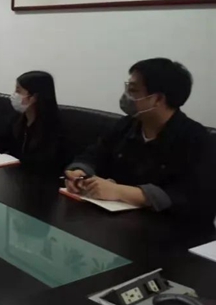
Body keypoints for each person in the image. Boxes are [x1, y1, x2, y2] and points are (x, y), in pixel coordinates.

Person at [64, 58, 216, 223]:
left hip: (165, 229)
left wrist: (120, 192)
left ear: (157, 99)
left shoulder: (196, 139)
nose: (126, 96)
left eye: (133, 90)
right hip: (112, 220)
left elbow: (193, 198)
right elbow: (95, 154)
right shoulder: (127, 125)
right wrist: (80, 172)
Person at [0, 71, 64, 173]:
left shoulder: (54, 127)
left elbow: (46, 163)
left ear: (34, 97)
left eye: (18, 91)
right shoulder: (17, 118)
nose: (14, 95)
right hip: (12, 174)